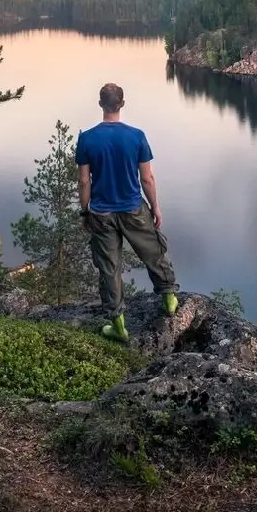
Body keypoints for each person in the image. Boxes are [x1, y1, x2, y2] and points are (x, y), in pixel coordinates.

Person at [76, 82, 179, 342]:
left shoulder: (87, 138)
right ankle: (169, 298)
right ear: (122, 104)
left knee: (109, 268)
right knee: (154, 252)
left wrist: (84, 211)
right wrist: (155, 207)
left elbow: (84, 181)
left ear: (101, 104)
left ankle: (118, 325)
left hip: (101, 212)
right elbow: (147, 179)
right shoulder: (136, 136)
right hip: (133, 208)